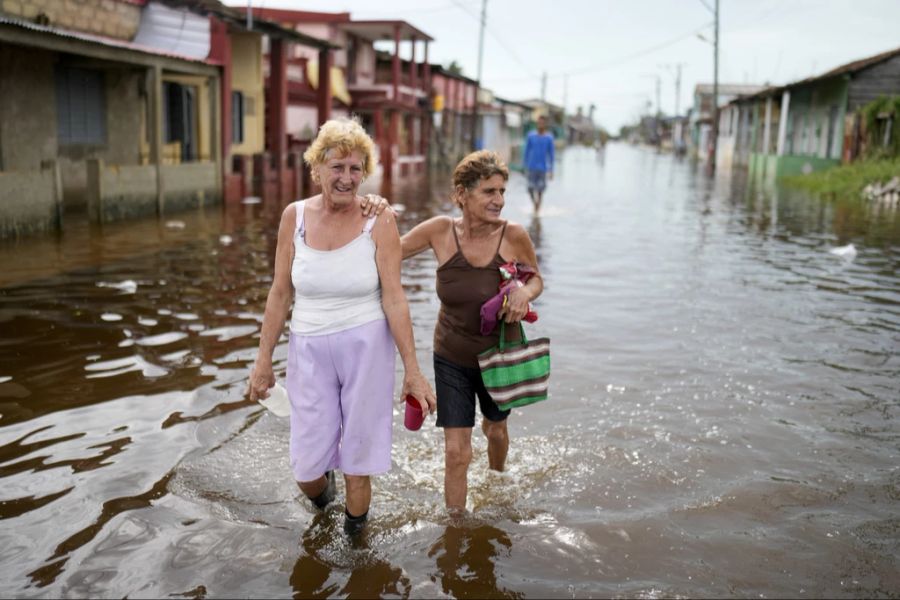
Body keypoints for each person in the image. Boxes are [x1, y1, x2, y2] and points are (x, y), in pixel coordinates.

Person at [247, 118, 436, 536]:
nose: (347, 178)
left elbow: (394, 297)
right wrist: (263, 361)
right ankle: (323, 501)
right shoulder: (293, 217)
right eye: (337, 167)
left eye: (356, 169)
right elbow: (280, 292)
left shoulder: (379, 219)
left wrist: (413, 370)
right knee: (307, 465)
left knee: (358, 460)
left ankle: (354, 546)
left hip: (367, 348)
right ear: (316, 169)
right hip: (309, 349)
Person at [367, 150, 544, 512]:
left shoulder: (513, 235)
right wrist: (373, 209)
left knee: (495, 430)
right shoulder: (439, 231)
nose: (499, 200)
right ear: (462, 194)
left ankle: (497, 480)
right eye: (489, 192)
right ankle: (455, 527)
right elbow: (389, 253)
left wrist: (524, 293)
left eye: (502, 191)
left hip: (498, 355)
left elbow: (536, 278)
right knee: (455, 452)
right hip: (450, 356)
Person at [522, 115, 555, 213]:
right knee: (530, 188)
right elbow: (526, 152)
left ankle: (537, 210)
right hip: (531, 167)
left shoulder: (549, 138)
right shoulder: (531, 136)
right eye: (539, 122)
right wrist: (524, 166)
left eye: (542, 122)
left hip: (543, 168)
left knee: (540, 189)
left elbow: (551, 155)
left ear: (545, 124)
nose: (540, 124)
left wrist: (551, 170)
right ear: (537, 123)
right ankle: (535, 204)